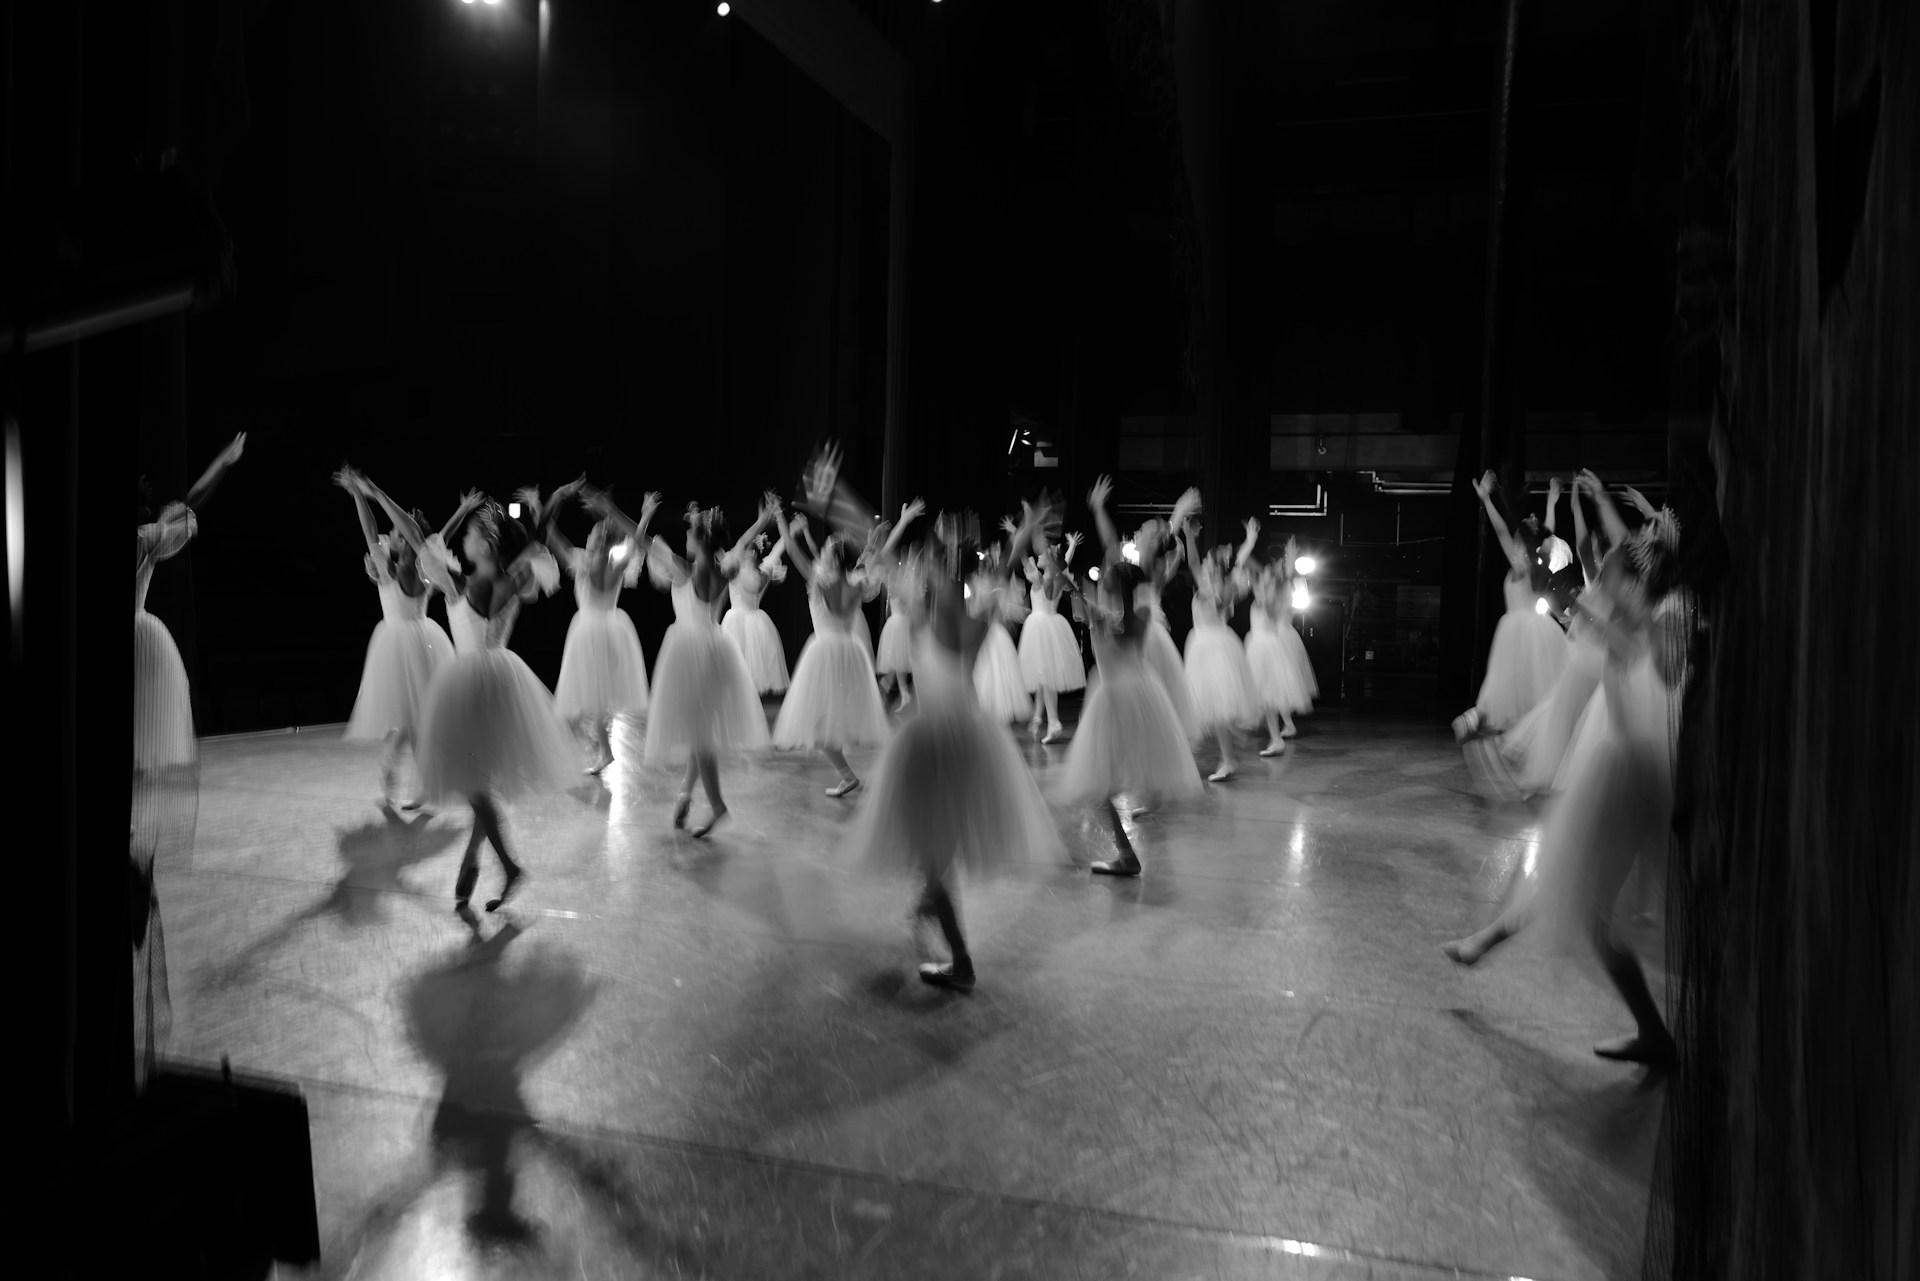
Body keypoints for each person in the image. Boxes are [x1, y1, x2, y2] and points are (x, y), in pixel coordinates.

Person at [1442, 516, 1684, 1068]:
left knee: (1587, 909)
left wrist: (1579, 598)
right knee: (1561, 876)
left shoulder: (1649, 630)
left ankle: (1653, 1033)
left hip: (1625, 776)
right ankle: (1487, 940)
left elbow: (1630, 644)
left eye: (1614, 579)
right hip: (1621, 769)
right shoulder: (1636, 625)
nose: (1605, 584)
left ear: (1635, 585)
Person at [849, 507, 1061, 993]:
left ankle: (959, 959)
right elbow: (1002, 572)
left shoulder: (927, 618)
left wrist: (884, 527)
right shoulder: (976, 621)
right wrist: (1021, 535)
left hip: (935, 748)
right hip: (969, 744)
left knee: (933, 859)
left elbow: (883, 561)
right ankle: (932, 912)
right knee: (937, 856)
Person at [401, 494, 576, 916]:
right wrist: (543, 510)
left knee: (475, 785)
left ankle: (508, 865)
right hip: (503, 682)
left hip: (470, 686)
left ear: (487, 545)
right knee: (481, 780)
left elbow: (418, 541)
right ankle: (475, 856)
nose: (463, 541)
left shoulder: (464, 585)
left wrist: (375, 495)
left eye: (471, 535)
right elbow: (537, 548)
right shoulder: (513, 579)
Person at [1059, 477, 1206, 876]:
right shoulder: (1137, 599)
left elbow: (1103, 582)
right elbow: (1119, 569)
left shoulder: (1109, 615)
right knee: (1111, 780)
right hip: (1143, 692)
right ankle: (1127, 851)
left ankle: (1126, 855)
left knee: (1099, 785)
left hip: (1117, 697)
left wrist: (1075, 587)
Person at [612, 489, 778, 836]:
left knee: (700, 736)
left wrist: (611, 508)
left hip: (690, 655)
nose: (684, 537)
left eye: (689, 533)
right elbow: (743, 542)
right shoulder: (724, 568)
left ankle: (717, 805)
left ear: (700, 540)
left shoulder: (683, 570)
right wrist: (762, 520)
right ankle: (686, 795)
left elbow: (639, 540)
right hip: (715, 651)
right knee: (699, 731)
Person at [770, 496, 917, 796]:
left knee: (820, 726)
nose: (822, 551)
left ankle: (848, 774)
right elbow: (878, 558)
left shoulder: (818, 581)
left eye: (826, 549)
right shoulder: (856, 583)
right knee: (827, 721)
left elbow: (794, 549)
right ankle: (848, 773)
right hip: (850, 654)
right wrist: (897, 527)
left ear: (834, 559)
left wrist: (780, 518)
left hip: (824, 653)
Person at [336, 465, 455, 806]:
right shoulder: (392, 566)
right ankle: (399, 775)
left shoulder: (418, 566)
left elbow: (381, 530)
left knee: (416, 722)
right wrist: (359, 494)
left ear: (408, 539)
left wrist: (361, 492)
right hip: (408, 644)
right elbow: (370, 530)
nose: (394, 536)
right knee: (407, 722)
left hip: (415, 644)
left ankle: (413, 781)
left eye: (399, 533)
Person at [536, 478, 657, 775]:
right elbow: (638, 540)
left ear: (597, 541)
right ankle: (601, 748)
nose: (589, 536)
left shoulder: (582, 561)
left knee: (587, 699)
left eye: (592, 534)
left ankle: (598, 747)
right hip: (612, 630)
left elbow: (547, 532)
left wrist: (545, 504)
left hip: (588, 630)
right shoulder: (616, 561)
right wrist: (646, 514)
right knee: (594, 699)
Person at [1453, 470, 1568, 741]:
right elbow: (1547, 533)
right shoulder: (1542, 562)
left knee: (1506, 688)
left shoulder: (1521, 565)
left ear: (1521, 543)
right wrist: (1552, 501)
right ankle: (1506, 729)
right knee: (1527, 690)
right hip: (1538, 631)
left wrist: (1486, 500)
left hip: (1519, 630)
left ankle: (1479, 720)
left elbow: (1501, 529)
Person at [1181, 517, 1261, 781]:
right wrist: (1189, 536)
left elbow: (1203, 570)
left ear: (1215, 566)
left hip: (1214, 649)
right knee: (1205, 708)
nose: (1203, 562)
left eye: (1208, 560)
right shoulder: (1211, 582)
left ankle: (1227, 760)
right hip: (1204, 645)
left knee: (1217, 711)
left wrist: (1246, 545)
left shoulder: (1222, 587)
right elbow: (1194, 563)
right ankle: (1213, 757)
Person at [1244, 537, 1318, 755]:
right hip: (1263, 642)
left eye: (1275, 566)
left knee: (1273, 690)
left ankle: (1279, 735)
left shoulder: (1280, 589)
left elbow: (1283, 608)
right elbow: (1248, 563)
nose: (1268, 570)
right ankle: (1279, 732)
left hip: (1273, 639)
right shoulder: (1268, 586)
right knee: (1270, 691)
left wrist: (1286, 571)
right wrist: (1250, 541)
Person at [1017, 532, 1086, 742]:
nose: (1038, 556)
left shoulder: (1040, 578)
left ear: (1049, 559)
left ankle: (1053, 721)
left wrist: (1018, 536)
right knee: (1042, 675)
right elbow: (1064, 562)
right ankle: (1039, 717)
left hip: (1040, 627)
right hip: (1053, 624)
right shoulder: (1056, 576)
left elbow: (1022, 559)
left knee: (1044, 676)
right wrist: (1072, 546)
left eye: (1042, 555)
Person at [720, 531, 792, 697]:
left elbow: (776, 551)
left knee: (743, 666)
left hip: (737, 619)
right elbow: (777, 551)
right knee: (741, 665)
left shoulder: (736, 569)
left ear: (752, 553)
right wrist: (790, 532)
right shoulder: (762, 570)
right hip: (754, 621)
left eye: (745, 550)